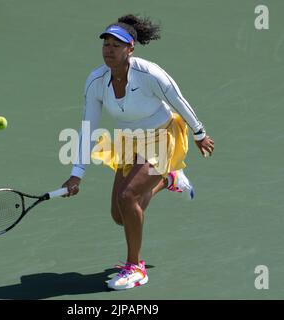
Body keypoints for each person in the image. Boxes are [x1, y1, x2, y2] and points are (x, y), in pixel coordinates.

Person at [61, 14, 215, 290]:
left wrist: (199, 133)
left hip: (161, 135)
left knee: (128, 195)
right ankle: (169, 179)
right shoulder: (96, 81)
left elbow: (178, 100)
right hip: (128, 140)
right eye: (106, 44)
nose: (109, 50)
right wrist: (76, 174)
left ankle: (136, 268)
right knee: (120, 214)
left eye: (116, 45)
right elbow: (88, 128)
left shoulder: (149, 74)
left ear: (130, 48)